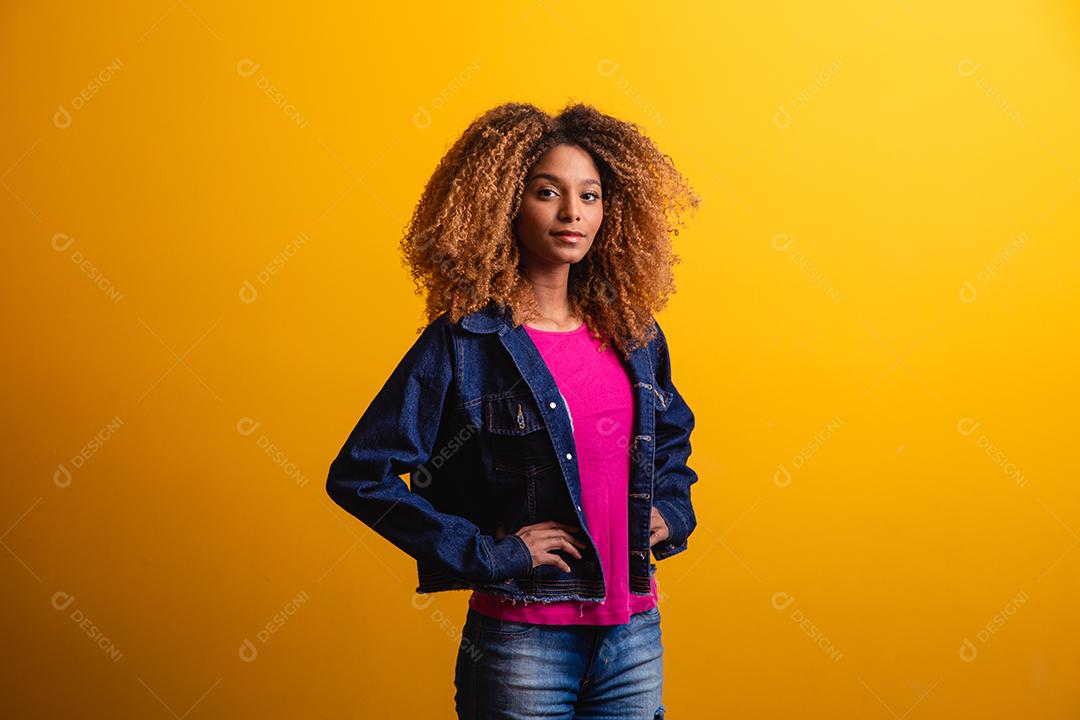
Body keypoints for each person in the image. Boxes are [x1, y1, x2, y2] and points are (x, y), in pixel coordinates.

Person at [326, 101, 700, 719]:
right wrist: (488, 554)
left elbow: (671, 439)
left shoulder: (635, 335)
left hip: (633, 634)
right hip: (524, 639)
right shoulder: (464, 342)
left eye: (590, 195)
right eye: (547, 192)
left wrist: (672, 510)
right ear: (505, 205)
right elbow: (361, 475)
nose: (572, 212)